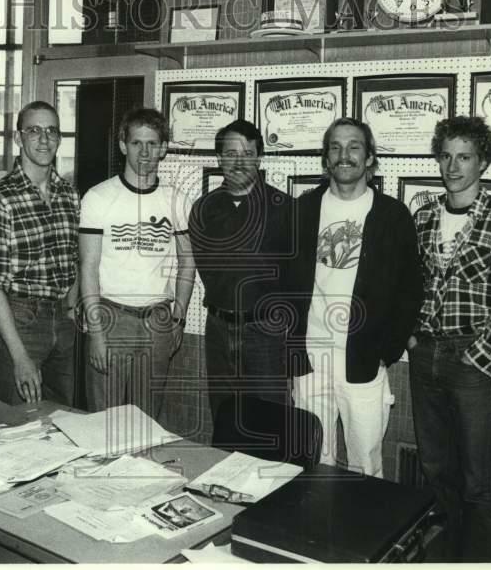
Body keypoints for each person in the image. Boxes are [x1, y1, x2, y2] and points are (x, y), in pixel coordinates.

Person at [407, 116, 491, 562]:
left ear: (483, 161)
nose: (453, 166)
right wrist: (411, 338)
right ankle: (444, 567)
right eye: (446, 156)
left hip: (476, 360)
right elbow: (409, 285)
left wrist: (481, 360)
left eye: (464, 157)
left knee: (477, 479)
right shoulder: (422, 217)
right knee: (435, 469)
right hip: (426, 357)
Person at [288, 117, 422, 477]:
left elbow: (410, 290)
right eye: (335, 147)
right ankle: (315, 531)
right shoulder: (301, 211)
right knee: (313, 458)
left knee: (365, 462)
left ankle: (363, 530)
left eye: (354, 146)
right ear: (325, 158)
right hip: (310, 357)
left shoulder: (392, 216)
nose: (343, 155)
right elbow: (282, 283)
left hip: (363, 357)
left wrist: (387, 349)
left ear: (370, 158)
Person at [78, 107, 195, 419]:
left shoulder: (177, 199)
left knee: (147, 421)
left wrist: (179, 318)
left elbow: (188, 262)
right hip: (111, 319)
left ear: (164, 148)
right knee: (106, 421)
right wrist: (95, 332)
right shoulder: (98, 197)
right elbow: (88, 266)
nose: (144, 152)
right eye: (136, 143)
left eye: (152, 143)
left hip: (158, 322)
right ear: (122, 145)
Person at [188, 119, 297, 428]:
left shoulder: (284, 207)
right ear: (220, 158)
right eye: (231, 153)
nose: (239, 161)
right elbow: (206, 268)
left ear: (259, 158)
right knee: (224, 415)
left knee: (270, 420)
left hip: (265, 331)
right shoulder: (203, 208)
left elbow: (295, 277)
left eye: (247, 153)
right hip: (219, 329)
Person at [0, 101, 79, 406]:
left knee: (62, 423)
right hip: (20, 323)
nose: (44, 139)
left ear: (60, 139)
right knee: (17, 426)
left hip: (62, 322)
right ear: (19, 139)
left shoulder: (69, 194)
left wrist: (71, 312)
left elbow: (74, 259)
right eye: (34, 130)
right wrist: (18, 355)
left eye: (52, 131)